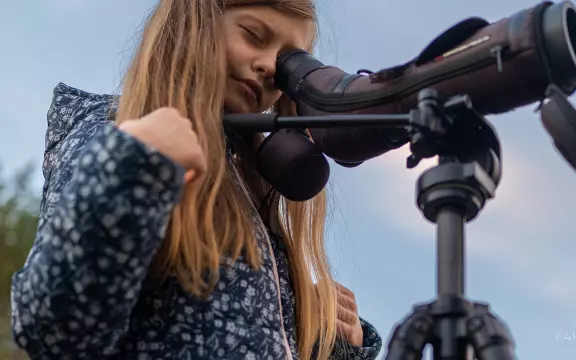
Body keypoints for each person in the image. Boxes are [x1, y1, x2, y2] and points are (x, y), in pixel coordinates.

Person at [10, 0, 383, 359]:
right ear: (196, 21)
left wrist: (324, 341)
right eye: (254, 35)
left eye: (288, 61)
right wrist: (135, 164)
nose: (270, 65)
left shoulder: (253, 194)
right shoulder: (116, 136)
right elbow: (54, 330)